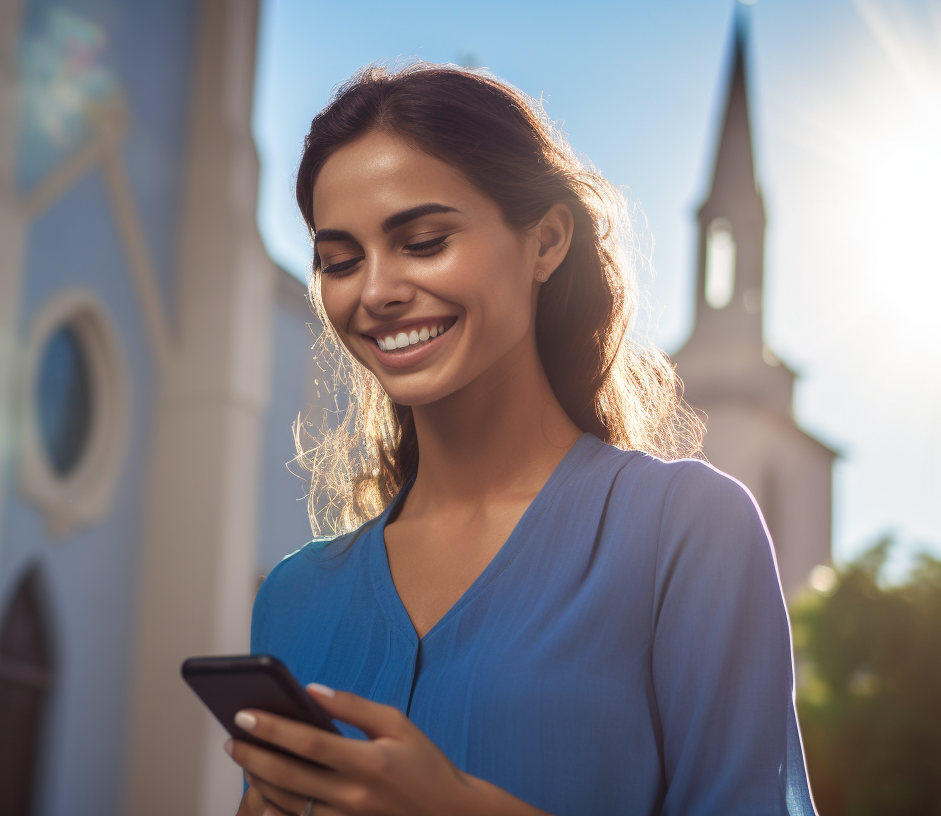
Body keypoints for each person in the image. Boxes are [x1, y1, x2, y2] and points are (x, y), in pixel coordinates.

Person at [227, 64, 817, 816]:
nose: (374, 292)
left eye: (425, 240)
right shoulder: (293, 597)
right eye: (339, 261)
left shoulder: (689, 532)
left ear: (546, 242)